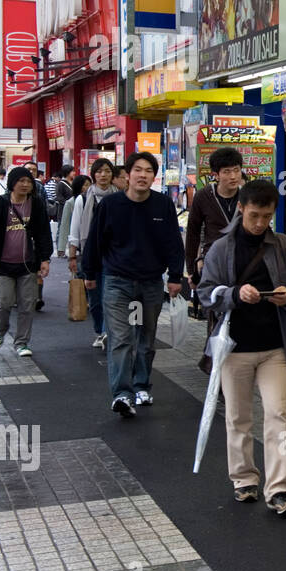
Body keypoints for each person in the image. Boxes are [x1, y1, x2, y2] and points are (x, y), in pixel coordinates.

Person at [198, 179, 286, 516]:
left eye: (266, 216)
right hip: (235, 348)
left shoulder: (285, 246)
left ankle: (281, 489)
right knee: (238, 416)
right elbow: (207, 293)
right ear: (241, 210)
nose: (260, 223)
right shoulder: (222, 248)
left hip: (275, 346)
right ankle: (243, 479)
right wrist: (234, 294)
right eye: (254, 216)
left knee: (278, 414)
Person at [81, 153, 184, 417]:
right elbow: (95, 241)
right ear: (127, 174)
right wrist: (89, 273)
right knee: (121, 338)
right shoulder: (111, 205)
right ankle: (122, 394)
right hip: (117, 282)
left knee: (146, 339)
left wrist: (175, 277)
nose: (142, 175)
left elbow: (173, 242)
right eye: (137, 169)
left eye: (148, 171)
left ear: (154, 176)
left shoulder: (163, 205)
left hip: (150, 283)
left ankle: (141, 385)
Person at [0, 167, 52, 357]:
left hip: (28, 264)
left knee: (27, 306)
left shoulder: (36, 204)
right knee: (3, 303)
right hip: (3, 264)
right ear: (12, 183)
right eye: (22, 181)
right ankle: (0, 331)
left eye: (29, 181)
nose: (26, 184)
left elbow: (44, 233)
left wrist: (45, 258)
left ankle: (22, 343)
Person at [185, 147, 245, 336]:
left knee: (240, 310)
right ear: (216, 175)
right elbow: (193, 232)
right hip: (213, 263)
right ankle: (214, 357)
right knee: (215, 312)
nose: (233, 176)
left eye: (236, 170)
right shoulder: (204, 196)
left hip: (243, 260)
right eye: (227, 172)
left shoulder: (247, 195)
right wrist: (192, 269)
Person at [68, 159, 120, 348]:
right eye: (99, 172)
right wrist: (72, 255)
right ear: (93, 175)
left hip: (114, 255)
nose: (103, 175)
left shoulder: (120, 196)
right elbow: (75, 229)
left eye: (107, 171)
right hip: (91, 255)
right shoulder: (83, 199)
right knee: (95, 300)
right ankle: (100, 330)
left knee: (111, 296)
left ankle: (108, 332)